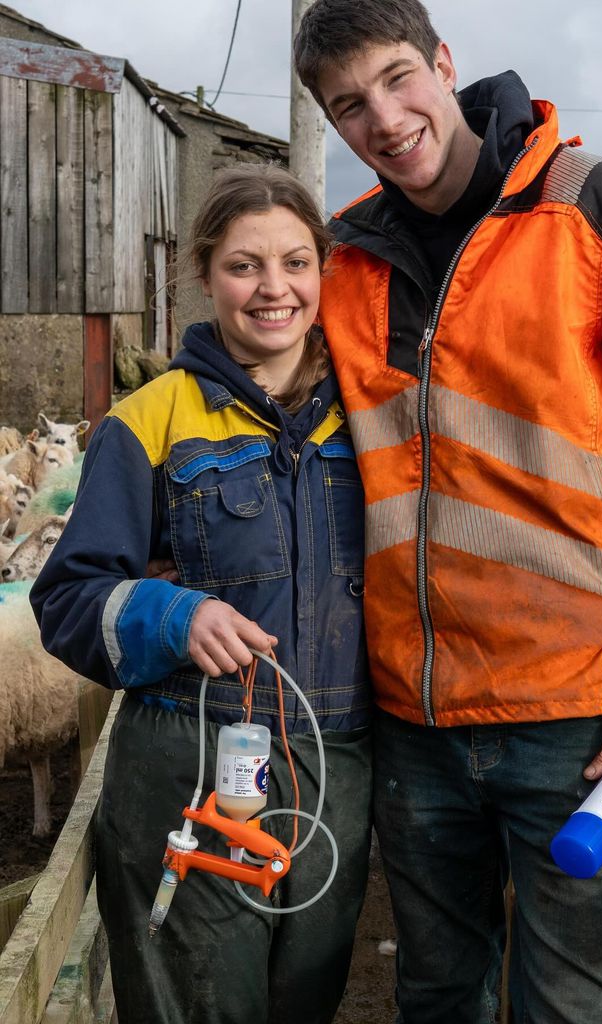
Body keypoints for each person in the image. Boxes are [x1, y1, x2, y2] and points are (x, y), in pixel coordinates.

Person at [293, 3, 602, 1022]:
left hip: (577, 718)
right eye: (348, 106)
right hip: (412, 720)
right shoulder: (342, 262)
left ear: (446, 64)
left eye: (397, 78)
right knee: (438, 992)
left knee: (572, 1006)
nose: (383, 118)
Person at [31, 165, 371, 1024]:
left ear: (324, 272)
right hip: (190, 756)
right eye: (244, 265)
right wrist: (175, 614)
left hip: (339, 765)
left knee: (306, 1000)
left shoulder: (374, 419)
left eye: (296, 263)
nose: (273, 289)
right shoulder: (149, 420)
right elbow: (68, 598)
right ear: (205, 274)